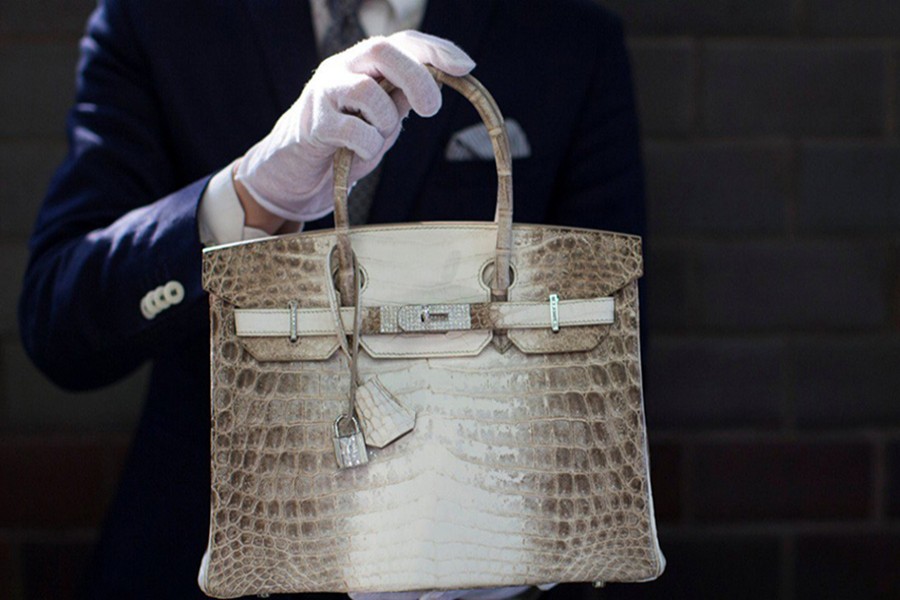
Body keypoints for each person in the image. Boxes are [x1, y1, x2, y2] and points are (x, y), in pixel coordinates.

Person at [18, 0, 645, 598]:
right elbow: (58, 321)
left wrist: (537, 536)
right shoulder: (157, 17)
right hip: (206, 550)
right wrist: (251, 195)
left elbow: (615, 343)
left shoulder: (569, 37)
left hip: (470, 532)